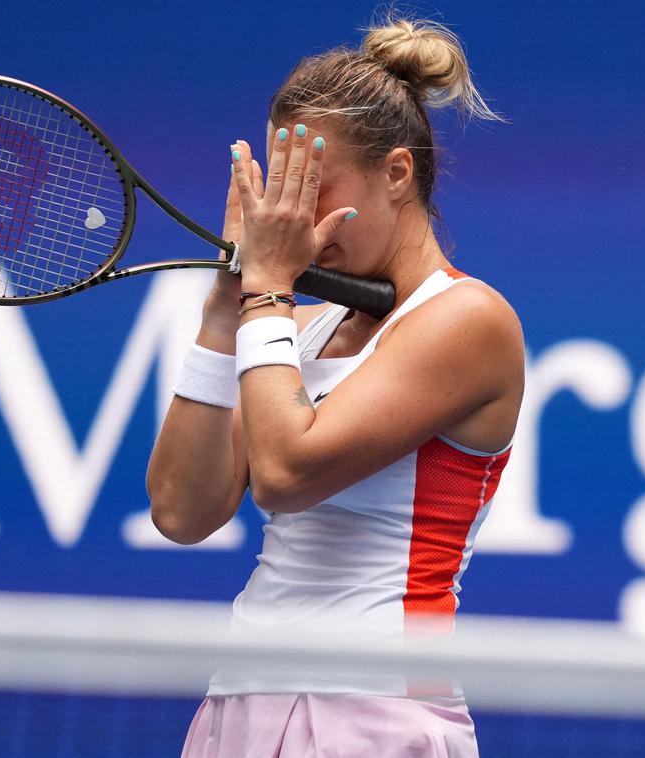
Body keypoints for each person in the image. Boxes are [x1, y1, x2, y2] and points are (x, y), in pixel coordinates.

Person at [146, 15, 523, 757]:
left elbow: (286, 473)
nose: (291, 221)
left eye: (313, 189)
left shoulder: (468, 321)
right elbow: (180, 512)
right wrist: (227, 311)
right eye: (279, 197)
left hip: (375, 713)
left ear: (396, 173)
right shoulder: (298, 329)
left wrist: (265, 295)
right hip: (241, 701)